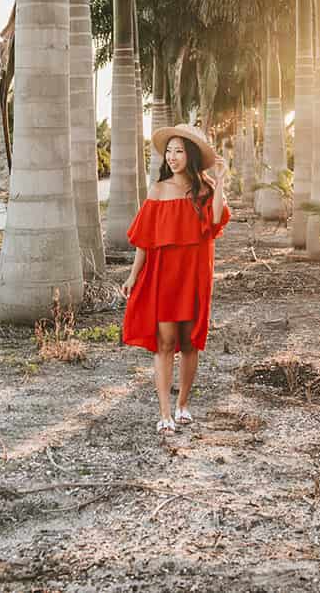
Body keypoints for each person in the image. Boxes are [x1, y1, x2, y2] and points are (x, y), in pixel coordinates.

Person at [120, 123, 231, 433]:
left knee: (189, 341)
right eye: (169, 151)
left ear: (190, 155)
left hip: (194, 275)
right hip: (164, 275)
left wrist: (220, 182)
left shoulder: (204, 189)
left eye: (179, 151)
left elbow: (217, 219)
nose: (172, 156)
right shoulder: (157, 190)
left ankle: (183, 404)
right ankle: (165, 412)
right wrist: (132, 275)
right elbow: (145, 240)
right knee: (165, 342)